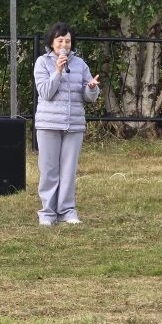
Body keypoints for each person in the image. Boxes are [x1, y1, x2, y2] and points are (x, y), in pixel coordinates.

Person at [33, 22, 100, 226]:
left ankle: (67, 211)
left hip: (74, 124)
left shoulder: (80, 64)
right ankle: (47, 213)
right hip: (48, 124)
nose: (64, 45)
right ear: (52, 42)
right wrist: (58, 71)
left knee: (68, 171)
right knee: (49, 170)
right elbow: (45, 92)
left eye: (68, 41)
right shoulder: (42, 62)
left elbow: (90, 96)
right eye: (60, 40)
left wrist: (91, 88)